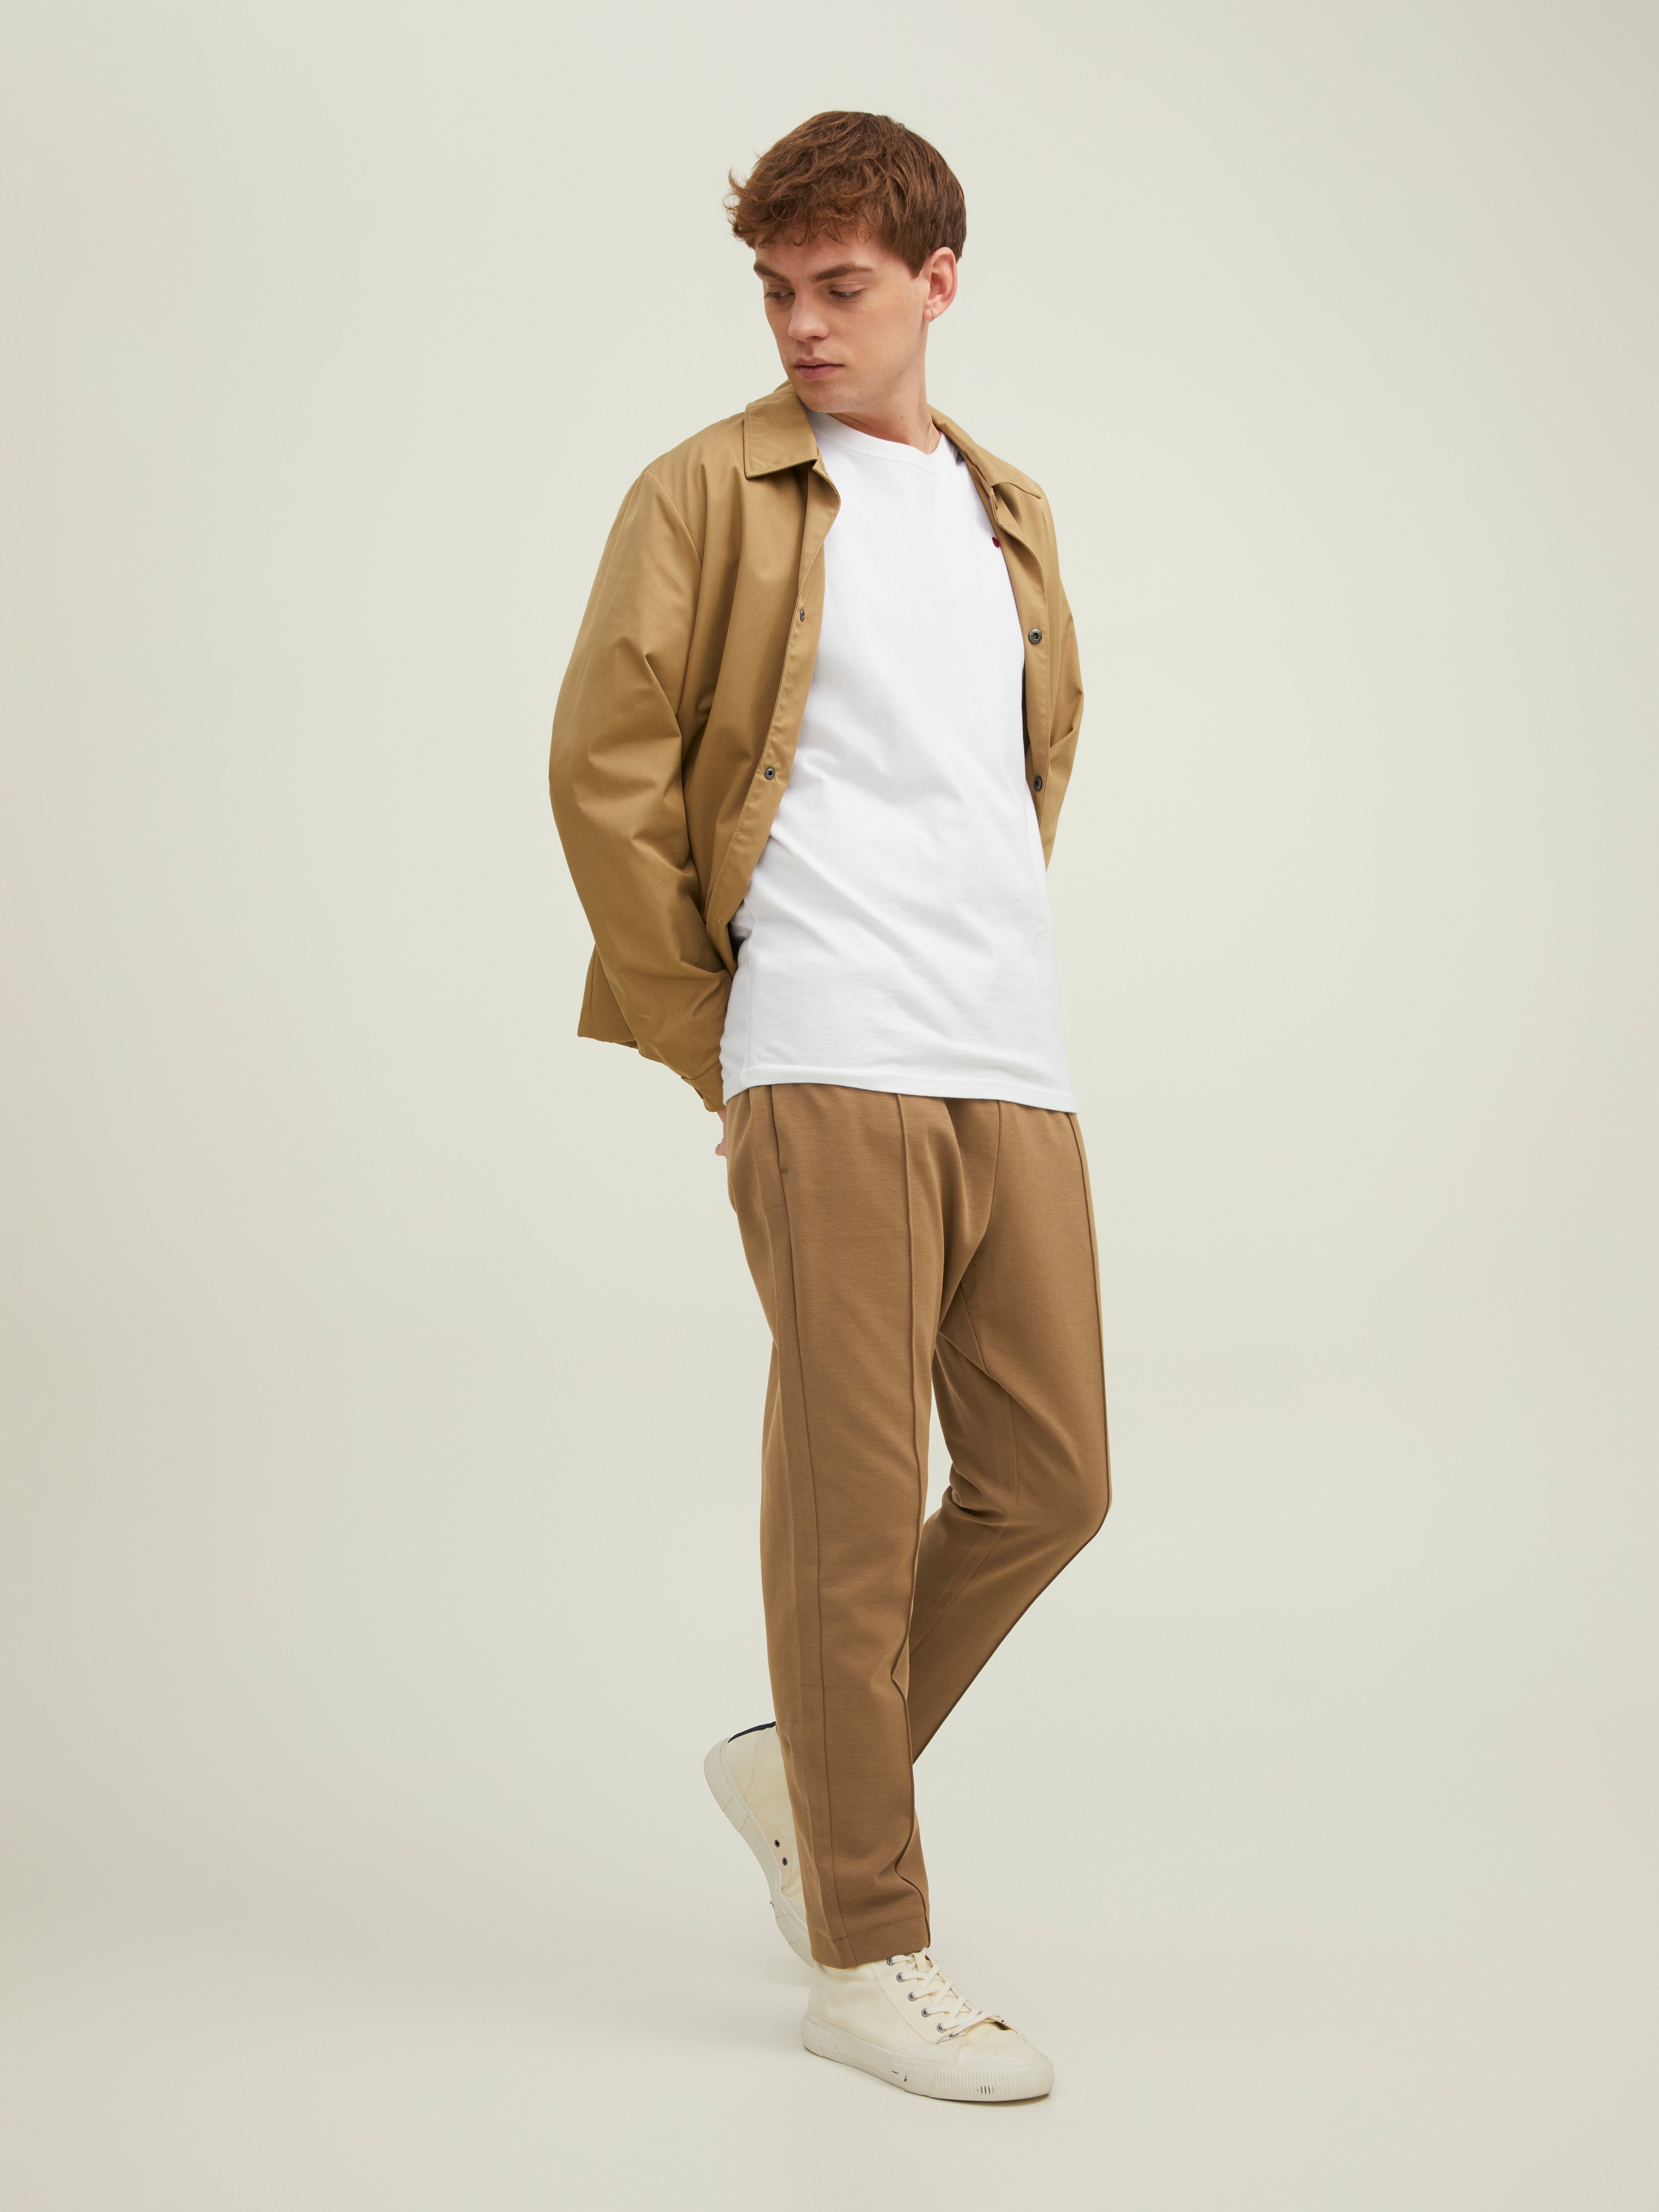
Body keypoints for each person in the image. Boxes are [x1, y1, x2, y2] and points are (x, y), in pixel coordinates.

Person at [549, 109, 1109, 2103]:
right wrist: (725, 1034)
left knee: (1052, 1479)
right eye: (777, 288)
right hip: (825, 1041)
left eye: (843, 286)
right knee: (854, 1506)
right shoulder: (708, 492)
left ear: (938, 282)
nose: (803, 322)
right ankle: (866, 1954)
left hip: (1004, 1048)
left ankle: (799, 1769)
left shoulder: (1007, 510)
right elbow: (605, 771)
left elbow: (1013, 778)